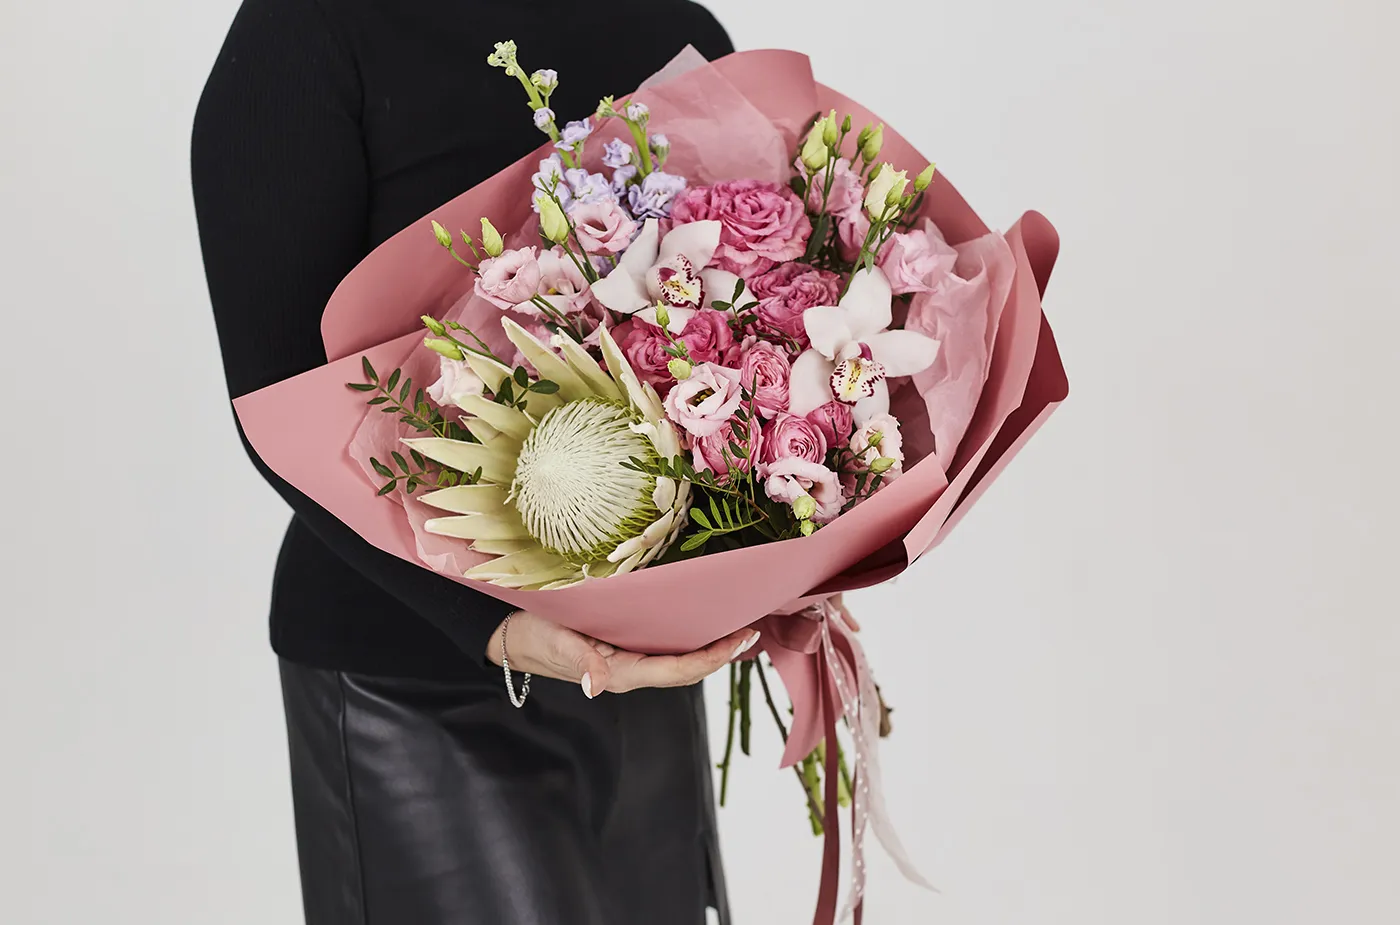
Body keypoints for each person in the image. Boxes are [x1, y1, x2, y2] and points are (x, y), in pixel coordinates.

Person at [190, 1, 749, 923]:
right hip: (415, 682)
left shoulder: (672, 26)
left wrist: (790, 531)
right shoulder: (307, 33)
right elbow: (278, 408)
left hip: (634, 679)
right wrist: (491, 626)